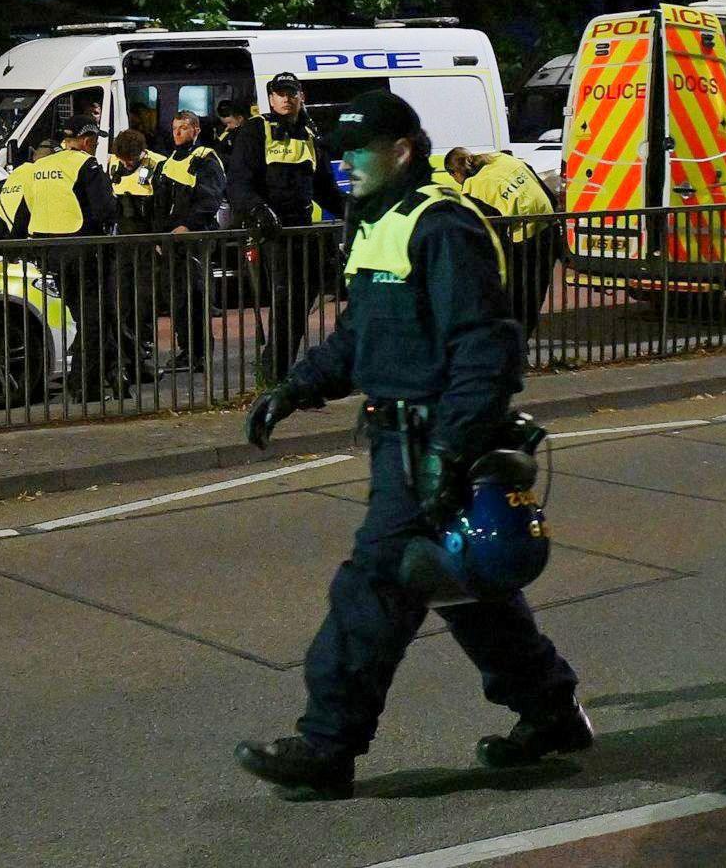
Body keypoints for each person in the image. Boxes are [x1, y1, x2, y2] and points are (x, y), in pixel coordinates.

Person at [234, 91, 589, 801]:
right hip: (401, 437)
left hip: (434, 438)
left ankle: (328, 744)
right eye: (339, 153)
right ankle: (550, 710)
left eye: (358, 152)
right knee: (464, 588)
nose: (344, 166)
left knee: (375, 584)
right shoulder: (375, 224)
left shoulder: (442, 224)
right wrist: (293, 388)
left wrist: (448, 451)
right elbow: (361, 336)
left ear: (401, 149)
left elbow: (486, 347)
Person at [226, 72, 346, 382]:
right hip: (272, 232)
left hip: (303, 230)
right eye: (279, 93)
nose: (286, 98)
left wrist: (354, 210)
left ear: (301, 96)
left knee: (303, 298)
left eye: (291, 93)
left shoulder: (308, 133)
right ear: (270, 99)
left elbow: (324, 188)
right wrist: (258, 209)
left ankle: (276, 369)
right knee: (287, 300)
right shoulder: (256, 130)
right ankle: (274, 374)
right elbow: (239, 181)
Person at [0, 122, 127, 399]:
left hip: (50, 255)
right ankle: (84, 387)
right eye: (94, 139)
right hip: (84, 252)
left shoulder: (39, 168)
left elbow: (23, 215)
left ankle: (116, 375)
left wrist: (16, 249)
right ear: (87, 139)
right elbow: (106, 210)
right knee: (95, 321)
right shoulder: (86, 165)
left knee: (89, 319)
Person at [445, 148, 561, 332]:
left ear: (455, 172)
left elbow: (486, 229)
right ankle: (522, 347)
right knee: (534, 296)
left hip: (524, 243)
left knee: (517, 301)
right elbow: (540, 184)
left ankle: (517, 349)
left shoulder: (473, 187)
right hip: (549, 230)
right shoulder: (503, 159)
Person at [154, 112, 226, 372]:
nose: (178, 133)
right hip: (172, 240)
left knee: (196, 298)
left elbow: (211, 199)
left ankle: (200, 353)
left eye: (183, 128)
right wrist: (160, 235)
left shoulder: (205, 158)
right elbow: (159, 204)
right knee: (177, 299)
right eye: (175, 128)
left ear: (196, 129)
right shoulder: (168, 161)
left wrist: (188, 226)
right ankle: (187, 349)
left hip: (196, 238)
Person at [107, 129, 163, 237]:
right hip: (120, 230)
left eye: (130, 159)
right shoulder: (113, 161)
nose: (126, 163)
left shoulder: (158, 163)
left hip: (148, 231)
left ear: (141, 151)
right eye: (123, 159)